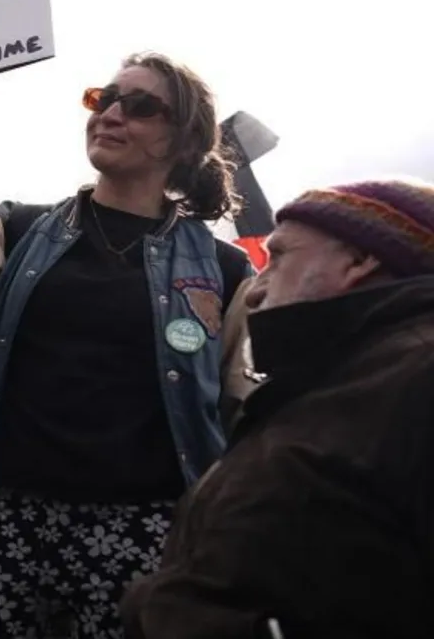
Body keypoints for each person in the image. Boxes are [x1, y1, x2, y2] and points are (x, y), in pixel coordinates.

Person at [0, 52, 255, 639]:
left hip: (144, 534)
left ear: (184, 141)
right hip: (1, 519)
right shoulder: (14, 229)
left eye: (137, 106)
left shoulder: (225, 273)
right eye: (101, 98)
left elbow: (248, 422)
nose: (110, 113)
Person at [121, 179, 434, 639]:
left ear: (359, 260)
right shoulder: (312, 396)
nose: (253, 291)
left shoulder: (418, 379)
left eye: (279, 256)